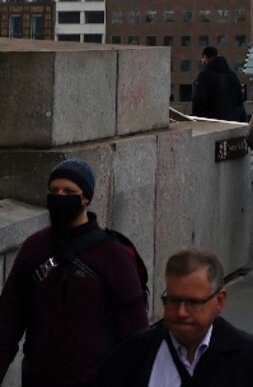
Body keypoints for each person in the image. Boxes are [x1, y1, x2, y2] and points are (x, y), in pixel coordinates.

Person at [0, 158, 148, 387]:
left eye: (68, 191)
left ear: (86, 198)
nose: (59, 196)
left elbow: (135, 334)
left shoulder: (113, 255)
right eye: (54, 190)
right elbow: (8, 321)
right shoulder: (34, 248)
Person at [98, 247, 253, 386]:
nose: (181, 312)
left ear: (219, 300)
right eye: (173, 301)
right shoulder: (130, 355)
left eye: (193, 303)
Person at [191, 47, 245, 121]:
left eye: (203, 58)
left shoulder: (204, 74)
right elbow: (239, 100)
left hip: (210, 121)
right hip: (231, 121)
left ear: (205, 57)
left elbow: (198, 100)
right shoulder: (232, 74)